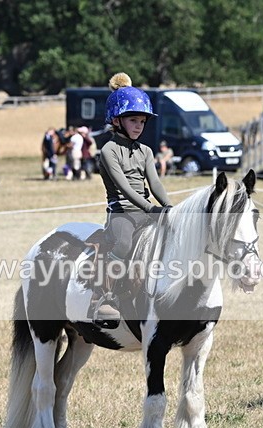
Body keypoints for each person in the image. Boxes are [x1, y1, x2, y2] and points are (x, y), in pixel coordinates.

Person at [94, 72, 172, 326]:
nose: (139, 126)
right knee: (124, 244)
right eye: (133, 120)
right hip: (121, 213)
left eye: (142, 121)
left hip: (145, 211)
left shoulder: (146, 151)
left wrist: (169, 207)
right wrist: (151, 208)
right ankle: (104, 297)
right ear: (117, 121)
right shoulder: (109, 150)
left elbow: (155, 183)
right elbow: (124, 187)